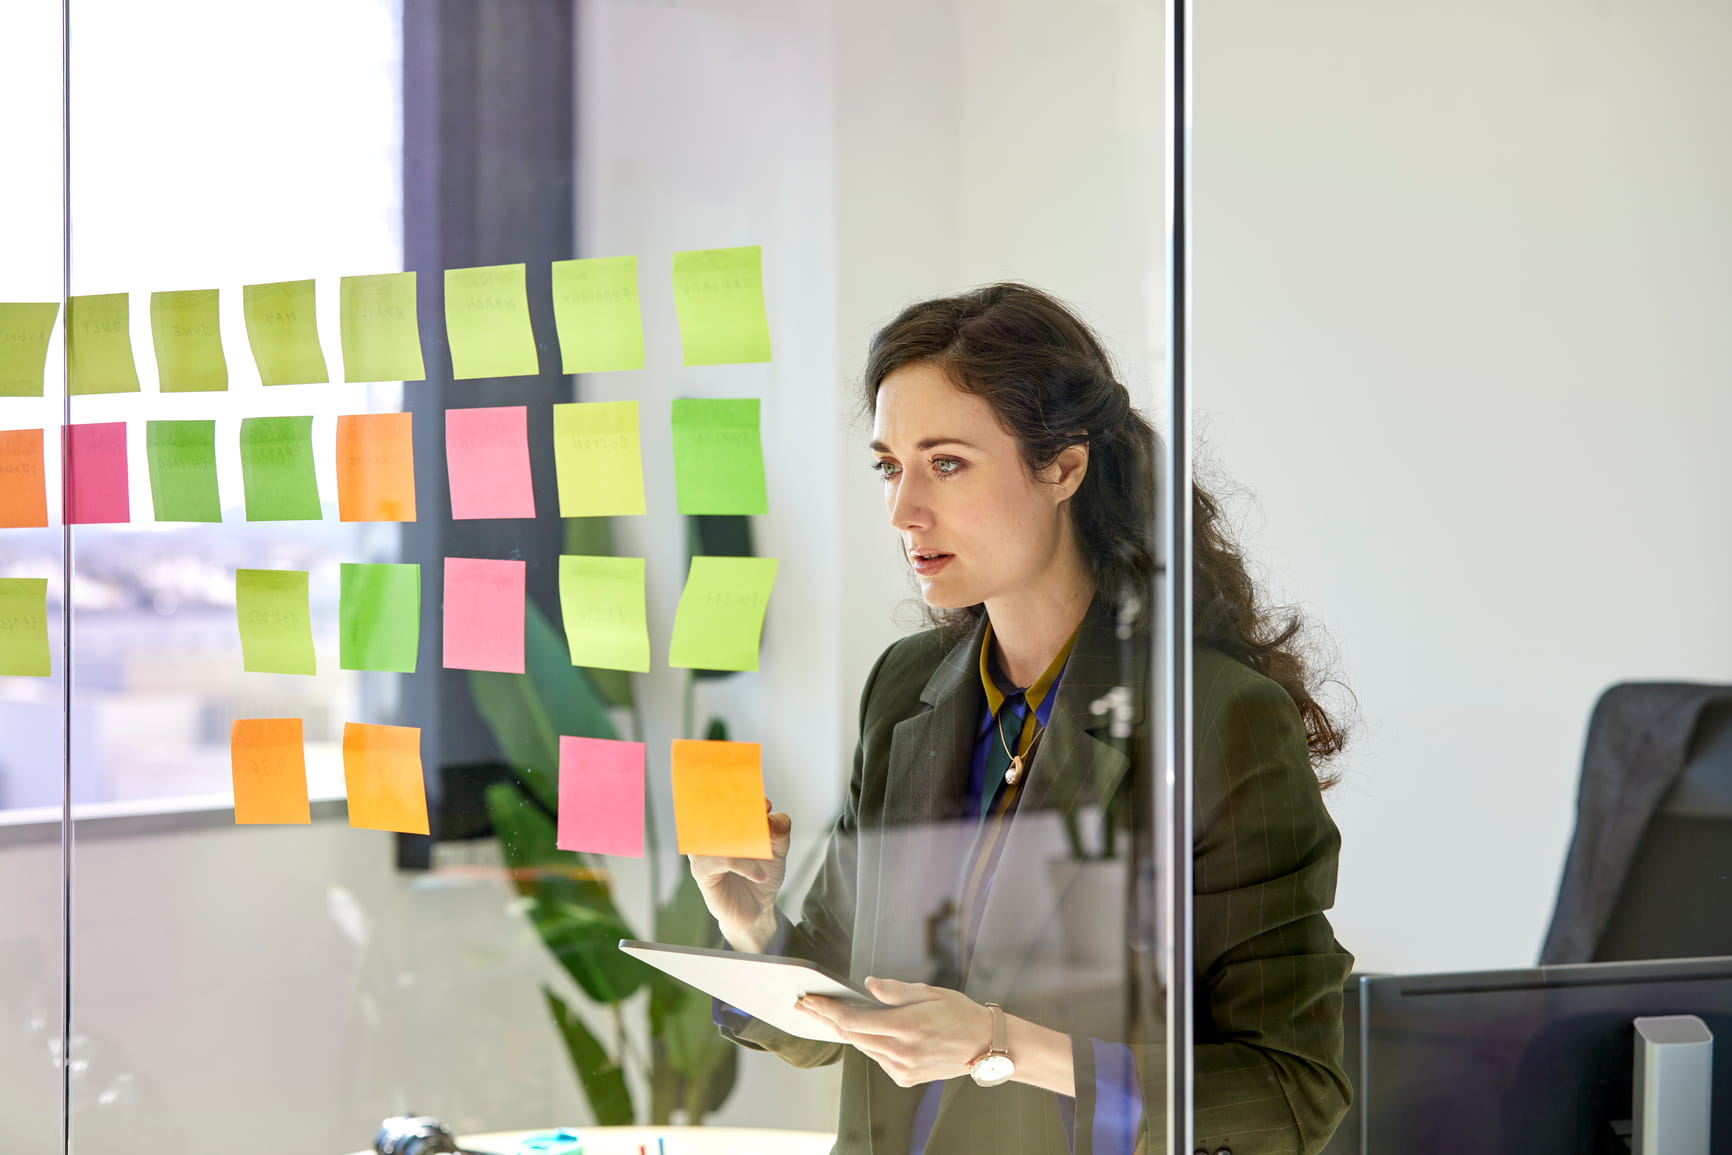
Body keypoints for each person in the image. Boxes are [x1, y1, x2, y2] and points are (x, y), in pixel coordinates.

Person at [690, 284, 1353, 1154]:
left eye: (947, 463)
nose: (903, 511)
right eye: (891, 466)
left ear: (1063, 469)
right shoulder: (907, 689)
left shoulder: (1216, 718)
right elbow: (850, 1012)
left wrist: (1000, 1045)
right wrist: (758, 929)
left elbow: (1290, 1091)